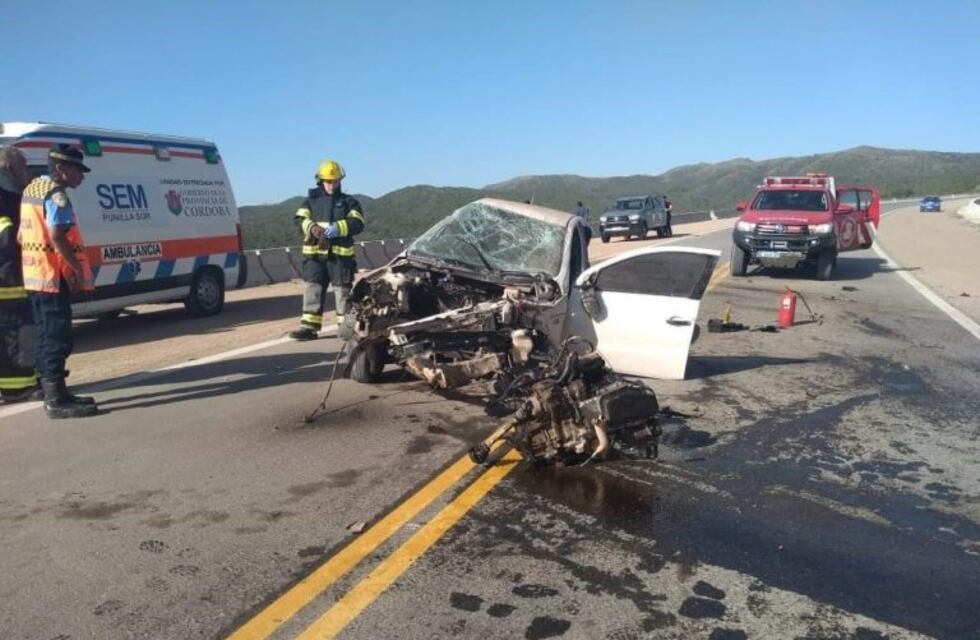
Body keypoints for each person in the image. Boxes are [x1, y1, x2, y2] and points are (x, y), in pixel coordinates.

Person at [20, 144, 98, 418]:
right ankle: (56, 401)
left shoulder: (31, 190)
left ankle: (53, 391)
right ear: (61, 169)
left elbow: (22, 236)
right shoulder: (56, 195)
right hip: (53, 276)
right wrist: (75, 268)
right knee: (57, 336)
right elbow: (56, 235)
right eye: (78, 170)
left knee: (45, 334)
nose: (82, 176)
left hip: (35, 276)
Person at [289, 159, 365, 341]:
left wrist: (338, 228)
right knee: (312, 290)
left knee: (342, 294)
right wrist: (312, 228)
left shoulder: (349, 202)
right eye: (329, 181)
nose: (332, 185)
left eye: (336, 181)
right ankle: (308, 328)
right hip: (314, 257)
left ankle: (345, 329)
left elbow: (358, 223)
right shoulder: (310, 201)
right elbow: (299, 220)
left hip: (340, 258)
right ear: (320, 180)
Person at [0, 146, 41, 403]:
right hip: (8, 279)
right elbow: (6, 235)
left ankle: (22, 382)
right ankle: (19, 387)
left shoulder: (12, 195)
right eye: (22, 166)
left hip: (13, 274)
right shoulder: (4, 197)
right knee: (17, 331)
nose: (25, 171)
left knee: (18, 331)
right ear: (7, 167)